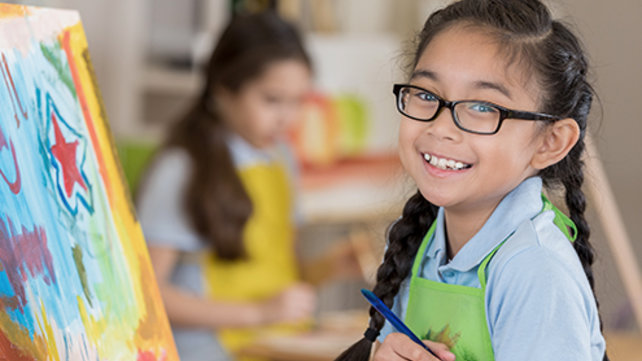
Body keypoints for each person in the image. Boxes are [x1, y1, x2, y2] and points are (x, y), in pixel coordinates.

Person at [336, 0, 608, 360]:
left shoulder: (535, 270)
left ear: (550, 142)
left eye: (483, 107)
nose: (441, 127)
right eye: (426, 94)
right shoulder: (414, 243)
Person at [137, 11, 318, 361]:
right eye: (272, 100)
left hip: (274, 344)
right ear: (224, 90)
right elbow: (148, 294)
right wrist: (261, 313)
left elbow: (279, 272)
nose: (287, 118)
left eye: (298, 102)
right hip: (208, 351)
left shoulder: (281, 158)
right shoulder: (181, 169)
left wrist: (330, 268)